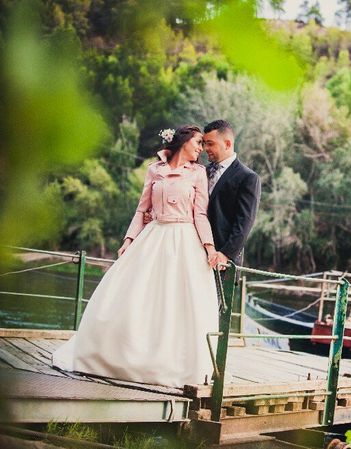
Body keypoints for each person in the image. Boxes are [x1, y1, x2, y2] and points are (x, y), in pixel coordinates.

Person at [52, 125, 220, 388]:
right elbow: (142, 209)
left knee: (177, 302)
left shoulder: (198, 173)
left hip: (185, 241)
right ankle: (117, 355)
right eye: (198, 143)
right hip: (154, 236)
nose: (200, 149)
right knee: (132, 294)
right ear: (184, 141)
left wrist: (209, 247)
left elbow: (200, 214)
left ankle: (173, 364)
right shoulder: (155, 170)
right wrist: (129, 240)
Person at [201, 119, 261, 268]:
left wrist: (225, 254)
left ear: (227, 144)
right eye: (203, 143)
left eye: (210, 143)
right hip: (196, 252)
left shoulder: (248, 177)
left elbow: (245, 222)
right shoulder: (202, 172)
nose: (205, 148)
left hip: (223, 261)